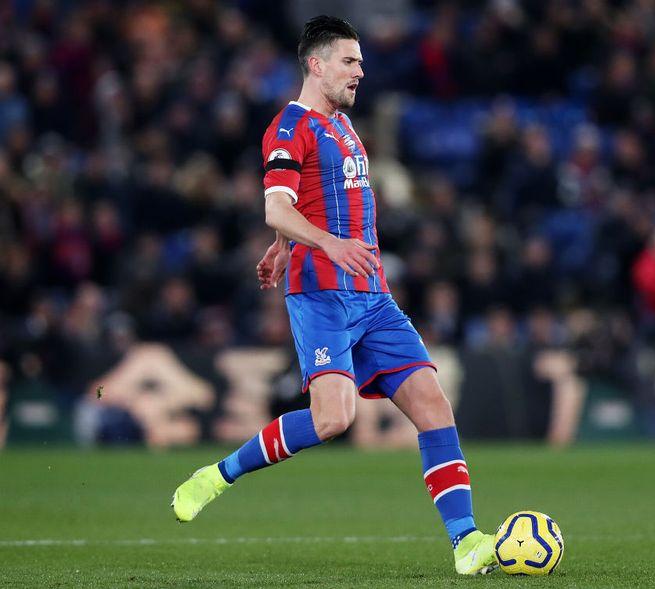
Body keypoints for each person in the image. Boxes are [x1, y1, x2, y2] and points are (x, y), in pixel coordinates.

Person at [171, 16, 498, 576]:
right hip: (322, 296)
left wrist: (282, 247)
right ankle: (216, 476)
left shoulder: (344, 126)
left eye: (361, 62)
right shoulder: (287, 128)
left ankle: (466, 543)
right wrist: (322, 242)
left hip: (373, 295)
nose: (360, 71)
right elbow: (275, 206)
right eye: (349, 61)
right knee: (332, 419)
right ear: (316, 65)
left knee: (433, 406)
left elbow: (304, 200)